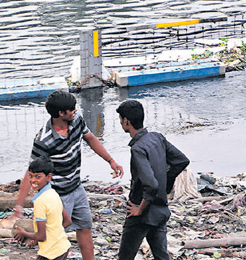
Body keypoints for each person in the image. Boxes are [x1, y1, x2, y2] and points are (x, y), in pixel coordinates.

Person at [14, 90, 123, 260]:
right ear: (60, 113)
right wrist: (19, 206)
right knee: (52, 240)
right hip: (57, 196)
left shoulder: (77, 120)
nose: (75, 111)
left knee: (85, 228)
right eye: (71, 109)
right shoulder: (44, 140)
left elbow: (91, 138)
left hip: (76, 188)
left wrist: (111, 161)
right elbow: (31, 172)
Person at [116, 99, 190, 260]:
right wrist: (167, 183)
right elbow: (181, 161)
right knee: (161, 256)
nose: (121, 122)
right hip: (160, 209)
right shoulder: (157, 137)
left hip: (140, 213)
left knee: (125, 257)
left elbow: (151, 184)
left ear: (126, 121)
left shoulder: (138, 149)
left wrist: (139, 209)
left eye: (121, 119)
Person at [14, 156, 72, 260]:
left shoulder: (40, 201)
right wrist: (50, 236)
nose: (33, 180)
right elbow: (67, 221)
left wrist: (24, 233)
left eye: (38, 176)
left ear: (48, 177)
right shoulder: (53, 193)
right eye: (30, 176)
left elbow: (41, 236)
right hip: (62, 246)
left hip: (51, 253)